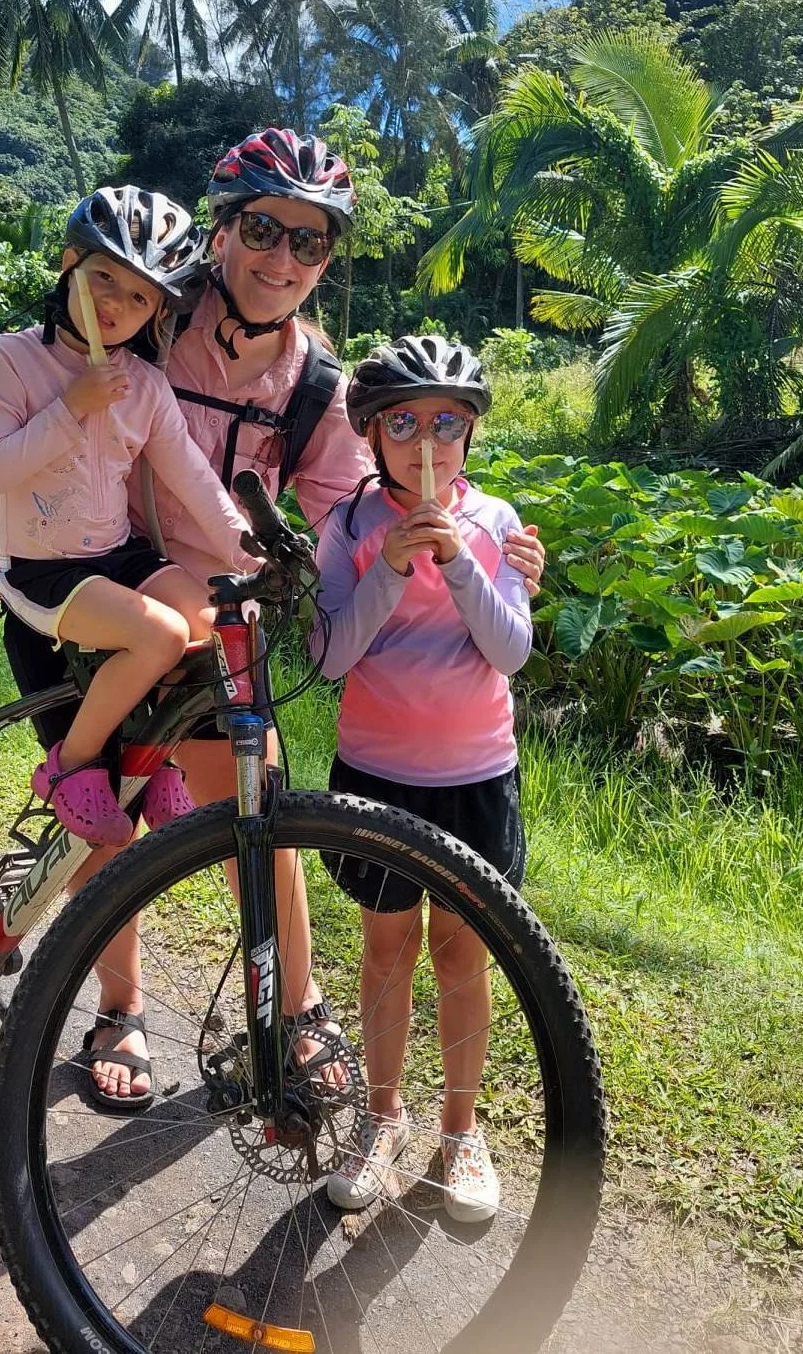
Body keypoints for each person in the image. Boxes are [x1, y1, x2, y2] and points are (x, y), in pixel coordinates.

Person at [0, 128, 547, 1110]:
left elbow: (376, 495)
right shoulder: (147, 313)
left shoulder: (319, 385)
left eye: (308, 243)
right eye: (262, 230)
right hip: (93, 586)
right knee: (105, 813)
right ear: (221, 231)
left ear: (326, 259)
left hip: (218, 604)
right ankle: (120, 1009)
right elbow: (31, 415)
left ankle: (297, 1009)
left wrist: (493, 538)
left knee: (256, 799)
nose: (280, 261)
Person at [309, 334, 531, 1224]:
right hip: (377, 774)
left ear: (470, 431)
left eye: (448, 420)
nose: (426, 440)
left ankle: (460, 1131)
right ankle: (382, 1117)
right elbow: (329, 657)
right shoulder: (349, 526)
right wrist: (392, 564)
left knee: (462, 954)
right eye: (403, 422)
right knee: (387, 948)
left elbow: (509, 649)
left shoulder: (499, 521)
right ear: (371, 435)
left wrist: (460, 560)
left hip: (477, 774)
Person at [0, 184, 251, 849]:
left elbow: (192, 476)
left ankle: (148, 764)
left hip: (117, 555)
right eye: (103, 279)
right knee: (155, 635)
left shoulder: (146, 384)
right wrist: (72, 408)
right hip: (42, 566)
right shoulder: (11, 358)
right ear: (69, 263)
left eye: (139, 295)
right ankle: (68, 767)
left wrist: (246, 553)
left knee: (209, 626)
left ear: (157, 308)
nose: (116, 305)